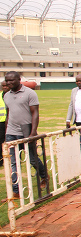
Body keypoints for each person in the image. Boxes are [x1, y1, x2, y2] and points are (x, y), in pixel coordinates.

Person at [3, 71, 49, 200]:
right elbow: (8, 113)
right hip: (11, 132)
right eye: (7, 80)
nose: (9, 82)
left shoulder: (30, 93)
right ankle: (16, 191)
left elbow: (35, 113)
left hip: (26, 130)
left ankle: (44, 176)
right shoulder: (6, 95)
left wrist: (33, 132)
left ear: (19, 79)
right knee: (13, 162)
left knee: (33, 159)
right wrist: (6, 131)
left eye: (11, 80)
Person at [0, 81, 7, 166]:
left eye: (6, 86)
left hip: (12, 122)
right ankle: (1, 160)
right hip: (1, 122)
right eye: (3, 86)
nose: (5, 87)